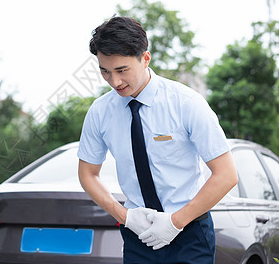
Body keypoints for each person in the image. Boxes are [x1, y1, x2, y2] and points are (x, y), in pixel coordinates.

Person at [77, 16, 238, 263]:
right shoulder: (100, 112)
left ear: (145, 58)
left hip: (190, 233)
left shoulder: (186, 104)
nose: (115, 82)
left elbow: (226, 175)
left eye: (122, 70)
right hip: (137, 235)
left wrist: (175, 222)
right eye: (105, 72)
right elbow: (88, 173)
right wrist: (124, 216)